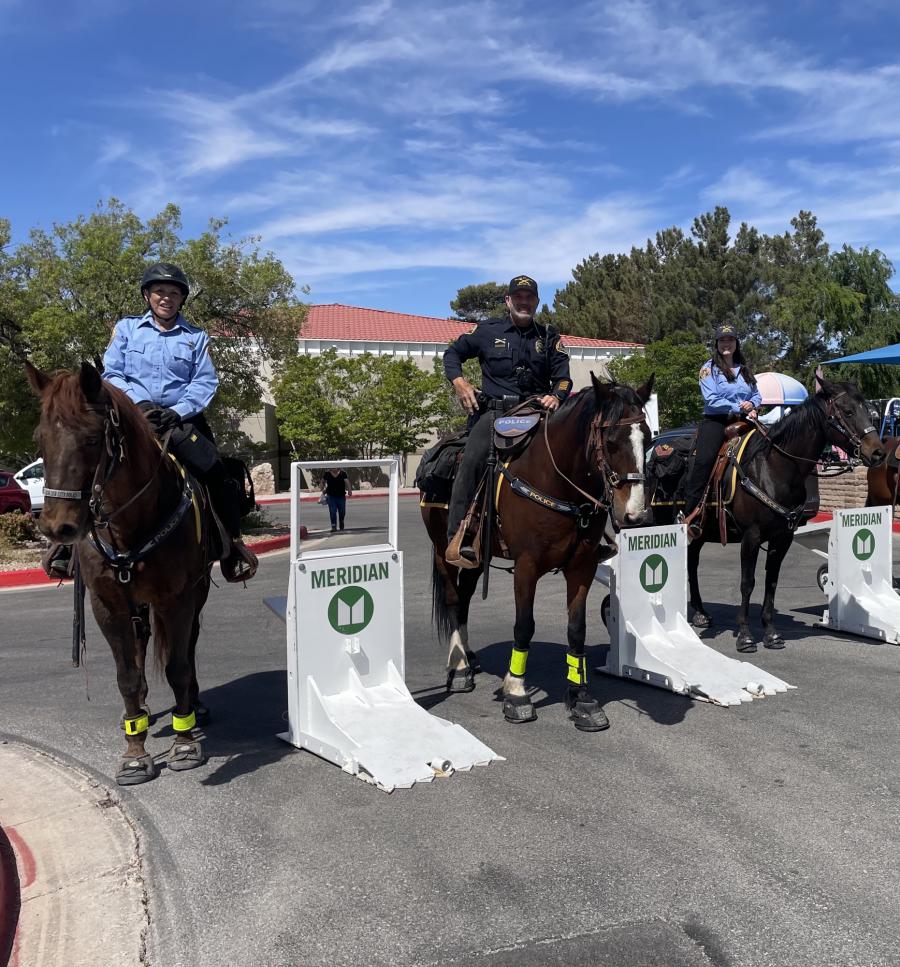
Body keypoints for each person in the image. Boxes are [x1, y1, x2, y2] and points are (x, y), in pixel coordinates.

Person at [47, 263, 258, 582]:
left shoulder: (195, 337)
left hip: (178, 421)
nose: (166, 298)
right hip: (132, 418)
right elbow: (113, 372)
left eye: (174, 293)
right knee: (86, 459)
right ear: (148, 295)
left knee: (216, 470)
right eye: (160, 292)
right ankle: (67, 545)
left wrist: (179, 410)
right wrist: (138, 404)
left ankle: (232, 546)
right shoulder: (127, 329)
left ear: (181, 300)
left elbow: (205, 382)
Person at [443, 275, 572, 560]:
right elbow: (452, 354)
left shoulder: (549, 336)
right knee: (473, 459)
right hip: (496, 413)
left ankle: (589, 532)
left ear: (537, 302)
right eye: (519, 297)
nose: (524, 302)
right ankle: (459, 535)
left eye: (529, 298)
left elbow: (563, 380)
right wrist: (460, 383)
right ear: (508, 300)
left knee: (577, 452)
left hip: (539, 413)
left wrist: (557, 396)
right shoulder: (488, 331)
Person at [682, 321, 762, 539]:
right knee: (704, 460)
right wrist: (739, 405)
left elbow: (756, 394)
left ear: (736, 343)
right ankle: (690, 513)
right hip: (717, 421)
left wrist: (752, 404)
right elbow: (711, 399)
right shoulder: (708, 369)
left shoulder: (745, 369)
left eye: (730, 339)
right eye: (722, 340)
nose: (727, 343)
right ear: (716, 344)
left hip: (745, 420)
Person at [322, 468, 351, 532]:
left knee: (342, 512)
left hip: (341, 496)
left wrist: (349, 490)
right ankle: (333, 526)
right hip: (331, 496)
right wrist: (323, 488)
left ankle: (341, 521)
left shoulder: (342, 473)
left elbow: (347, 482)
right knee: (332, 512)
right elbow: (323, 481)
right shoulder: (327, 473)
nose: (334, 467)